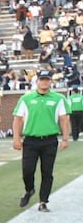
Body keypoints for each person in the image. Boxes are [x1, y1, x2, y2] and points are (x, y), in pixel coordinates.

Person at [13, 70, 70, 211]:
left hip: (49, 140)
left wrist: (65, 139)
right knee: (27, 170)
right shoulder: (26, 98)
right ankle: (29, 189)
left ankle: (43, 201)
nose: (44, 82)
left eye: (47, 79)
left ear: (50, 81)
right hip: (31, 140)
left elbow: (64, 120)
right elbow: (18, 119)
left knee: (47, 171)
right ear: (37, 81)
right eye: (42, 79)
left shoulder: (59, 98)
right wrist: (16, 138)